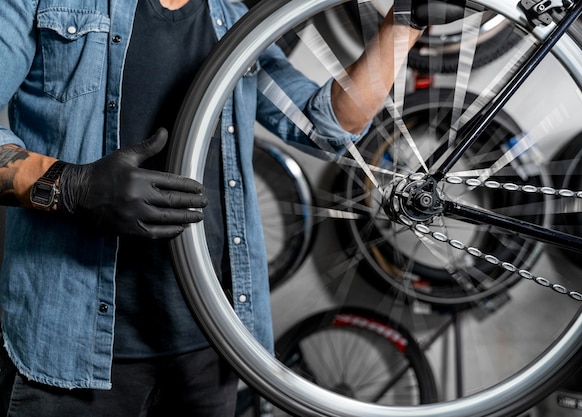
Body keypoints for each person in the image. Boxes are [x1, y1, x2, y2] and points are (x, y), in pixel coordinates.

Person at [0, 0, 424, 415]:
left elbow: (325, 126)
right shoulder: (45, 4)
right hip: (68, 348)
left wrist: (404, 24)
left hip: (212, 343)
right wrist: (71, 186)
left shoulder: (234, 18)